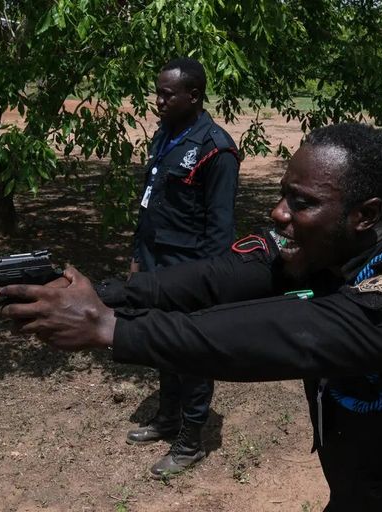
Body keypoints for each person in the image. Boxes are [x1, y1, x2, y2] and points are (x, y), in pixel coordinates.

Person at [0, 123, 382, 511]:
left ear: (365, 215)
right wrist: (98, 295)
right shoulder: (326, 253)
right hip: (364, 491)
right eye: (282, 195)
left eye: (303, 202)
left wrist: (111, 329)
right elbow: (210, 279)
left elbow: (297, 336)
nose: (279, 214)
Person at [123, 57, 239, 478]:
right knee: (161, 342)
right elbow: (150, 202)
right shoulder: (165, 135)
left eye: (167, 95)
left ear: (193, 95)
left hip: (188, 268)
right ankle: (167, 417)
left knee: (191, 351)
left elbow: (220, 227)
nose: (158, 101)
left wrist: (207, 283)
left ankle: (191, 440)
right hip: (155, 262)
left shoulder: (217, 149)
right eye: (157, 92)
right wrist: (138, 256)